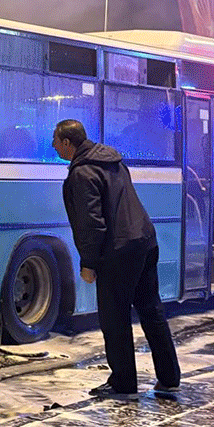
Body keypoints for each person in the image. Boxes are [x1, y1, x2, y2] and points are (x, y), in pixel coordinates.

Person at [52, 119, 180, 401]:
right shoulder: (113, 162)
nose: (53, 146)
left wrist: (89, 262)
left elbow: (92, 222)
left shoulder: (83, 173)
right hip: (145, 240)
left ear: (67, 143)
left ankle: (123, 383)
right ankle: (170, 377)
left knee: (115, 317)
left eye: (56, 141)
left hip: (119, 250)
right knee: (151, 309)